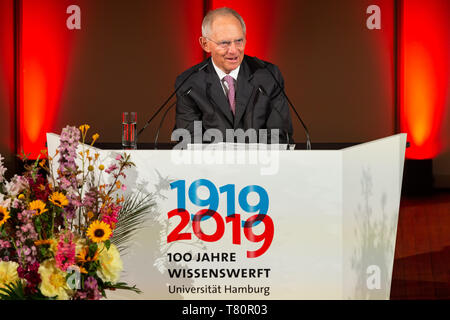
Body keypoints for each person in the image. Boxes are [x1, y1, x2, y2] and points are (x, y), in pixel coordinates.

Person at [174, 7, 293, 144]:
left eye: (239, 41)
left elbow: (279, 135)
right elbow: (189, 140)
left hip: (258, 163)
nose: (233, 50)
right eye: (224, 43)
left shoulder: (268, 76)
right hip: (211, 164)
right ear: (205, 44)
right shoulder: (189, 83)